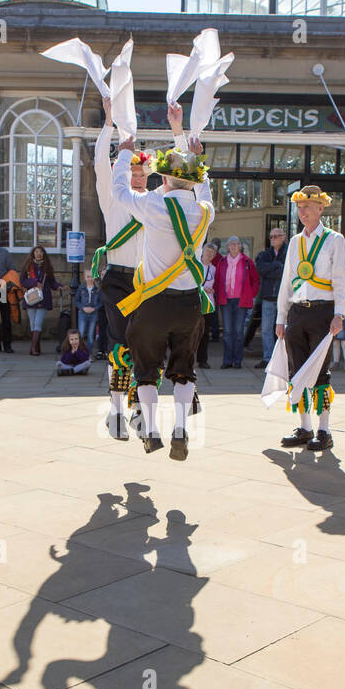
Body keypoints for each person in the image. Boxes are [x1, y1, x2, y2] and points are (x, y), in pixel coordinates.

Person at [110, 100, 213, 460]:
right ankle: (181, 429)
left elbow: (120, 192)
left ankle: (151, 429)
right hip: (189, 305)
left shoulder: (153, 206)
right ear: (196, 179)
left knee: (146, 370)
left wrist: (125, 155)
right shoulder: (205, 211)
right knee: (185, 369)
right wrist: (182, 137)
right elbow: (203, 186)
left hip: (153, 303)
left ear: (166, 178)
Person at [275, 184, 345, 452]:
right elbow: (287, 280)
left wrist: (339, 313)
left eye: (307, 207)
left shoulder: (335, 240)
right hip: (297, 312)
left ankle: (324, 430)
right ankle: (305, 427)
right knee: (297, 371)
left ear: (321, 209)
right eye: (299, 207)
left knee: (319, 372)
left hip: (322, 312)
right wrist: (281, 317)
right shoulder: (295, 242)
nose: (302, 212)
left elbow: (340, 280)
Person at [216, 236, 259, 369]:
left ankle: (237, 360)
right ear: (227, 247)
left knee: (239, 332)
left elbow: (255, 280)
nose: (233, 246)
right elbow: (217, 281)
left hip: (241, 301)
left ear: (240, 246)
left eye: (236, 244)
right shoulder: (222, 262)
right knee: (228, 332)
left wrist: (251, 294)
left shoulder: (247, 262)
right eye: (231, 244)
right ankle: (227, 360)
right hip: (226, 301)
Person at [253, 226, 288, 368]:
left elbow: (286, 272)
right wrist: (276, 265)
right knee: (266, 329)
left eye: (276, 236)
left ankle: (283, 358)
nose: (273, 239)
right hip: (268, 297)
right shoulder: (265, 254)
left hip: (283, 298)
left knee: (283, 329)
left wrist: (272, 270)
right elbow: (261, 270)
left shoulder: (289, 253)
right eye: (271, 237)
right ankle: (268, 358)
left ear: (283, 237)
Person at [21, 246, 61, 356]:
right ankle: (37, 347)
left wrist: (58, 287)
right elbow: (22, 281)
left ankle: (33, 348)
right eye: (36, 252)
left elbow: (52, 281)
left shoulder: (47, 267)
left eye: (41, 252)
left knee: (38, 324)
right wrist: (34, 283)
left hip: (43, 298)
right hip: (31, 299)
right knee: (33, 325)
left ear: (44, 254)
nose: (38, 254)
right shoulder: (28, 266)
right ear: (33, 253)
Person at [195, 240, 219, 370]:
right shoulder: (196, 265)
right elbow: (193, 283)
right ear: (202, 252)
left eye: (212, 252)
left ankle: (202, 359)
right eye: (208, 251)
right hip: (195, 303)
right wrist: (204, 288)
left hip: (208, 304)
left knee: (205, 333)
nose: (210, 254)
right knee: (191, 332)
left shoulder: (213, 268)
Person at [74, 268, 103, 348]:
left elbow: (101, 302)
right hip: (82, 314)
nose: (90, 279)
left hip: (93, 314)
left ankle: (88, 354)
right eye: (88, 277)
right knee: (81, 333)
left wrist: (94, 308)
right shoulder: (81, 288)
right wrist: (82, 308)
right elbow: (76, 301)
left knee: (90, 335)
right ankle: (79, 352)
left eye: (92, 276)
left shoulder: (97, 289)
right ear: (84, 277)